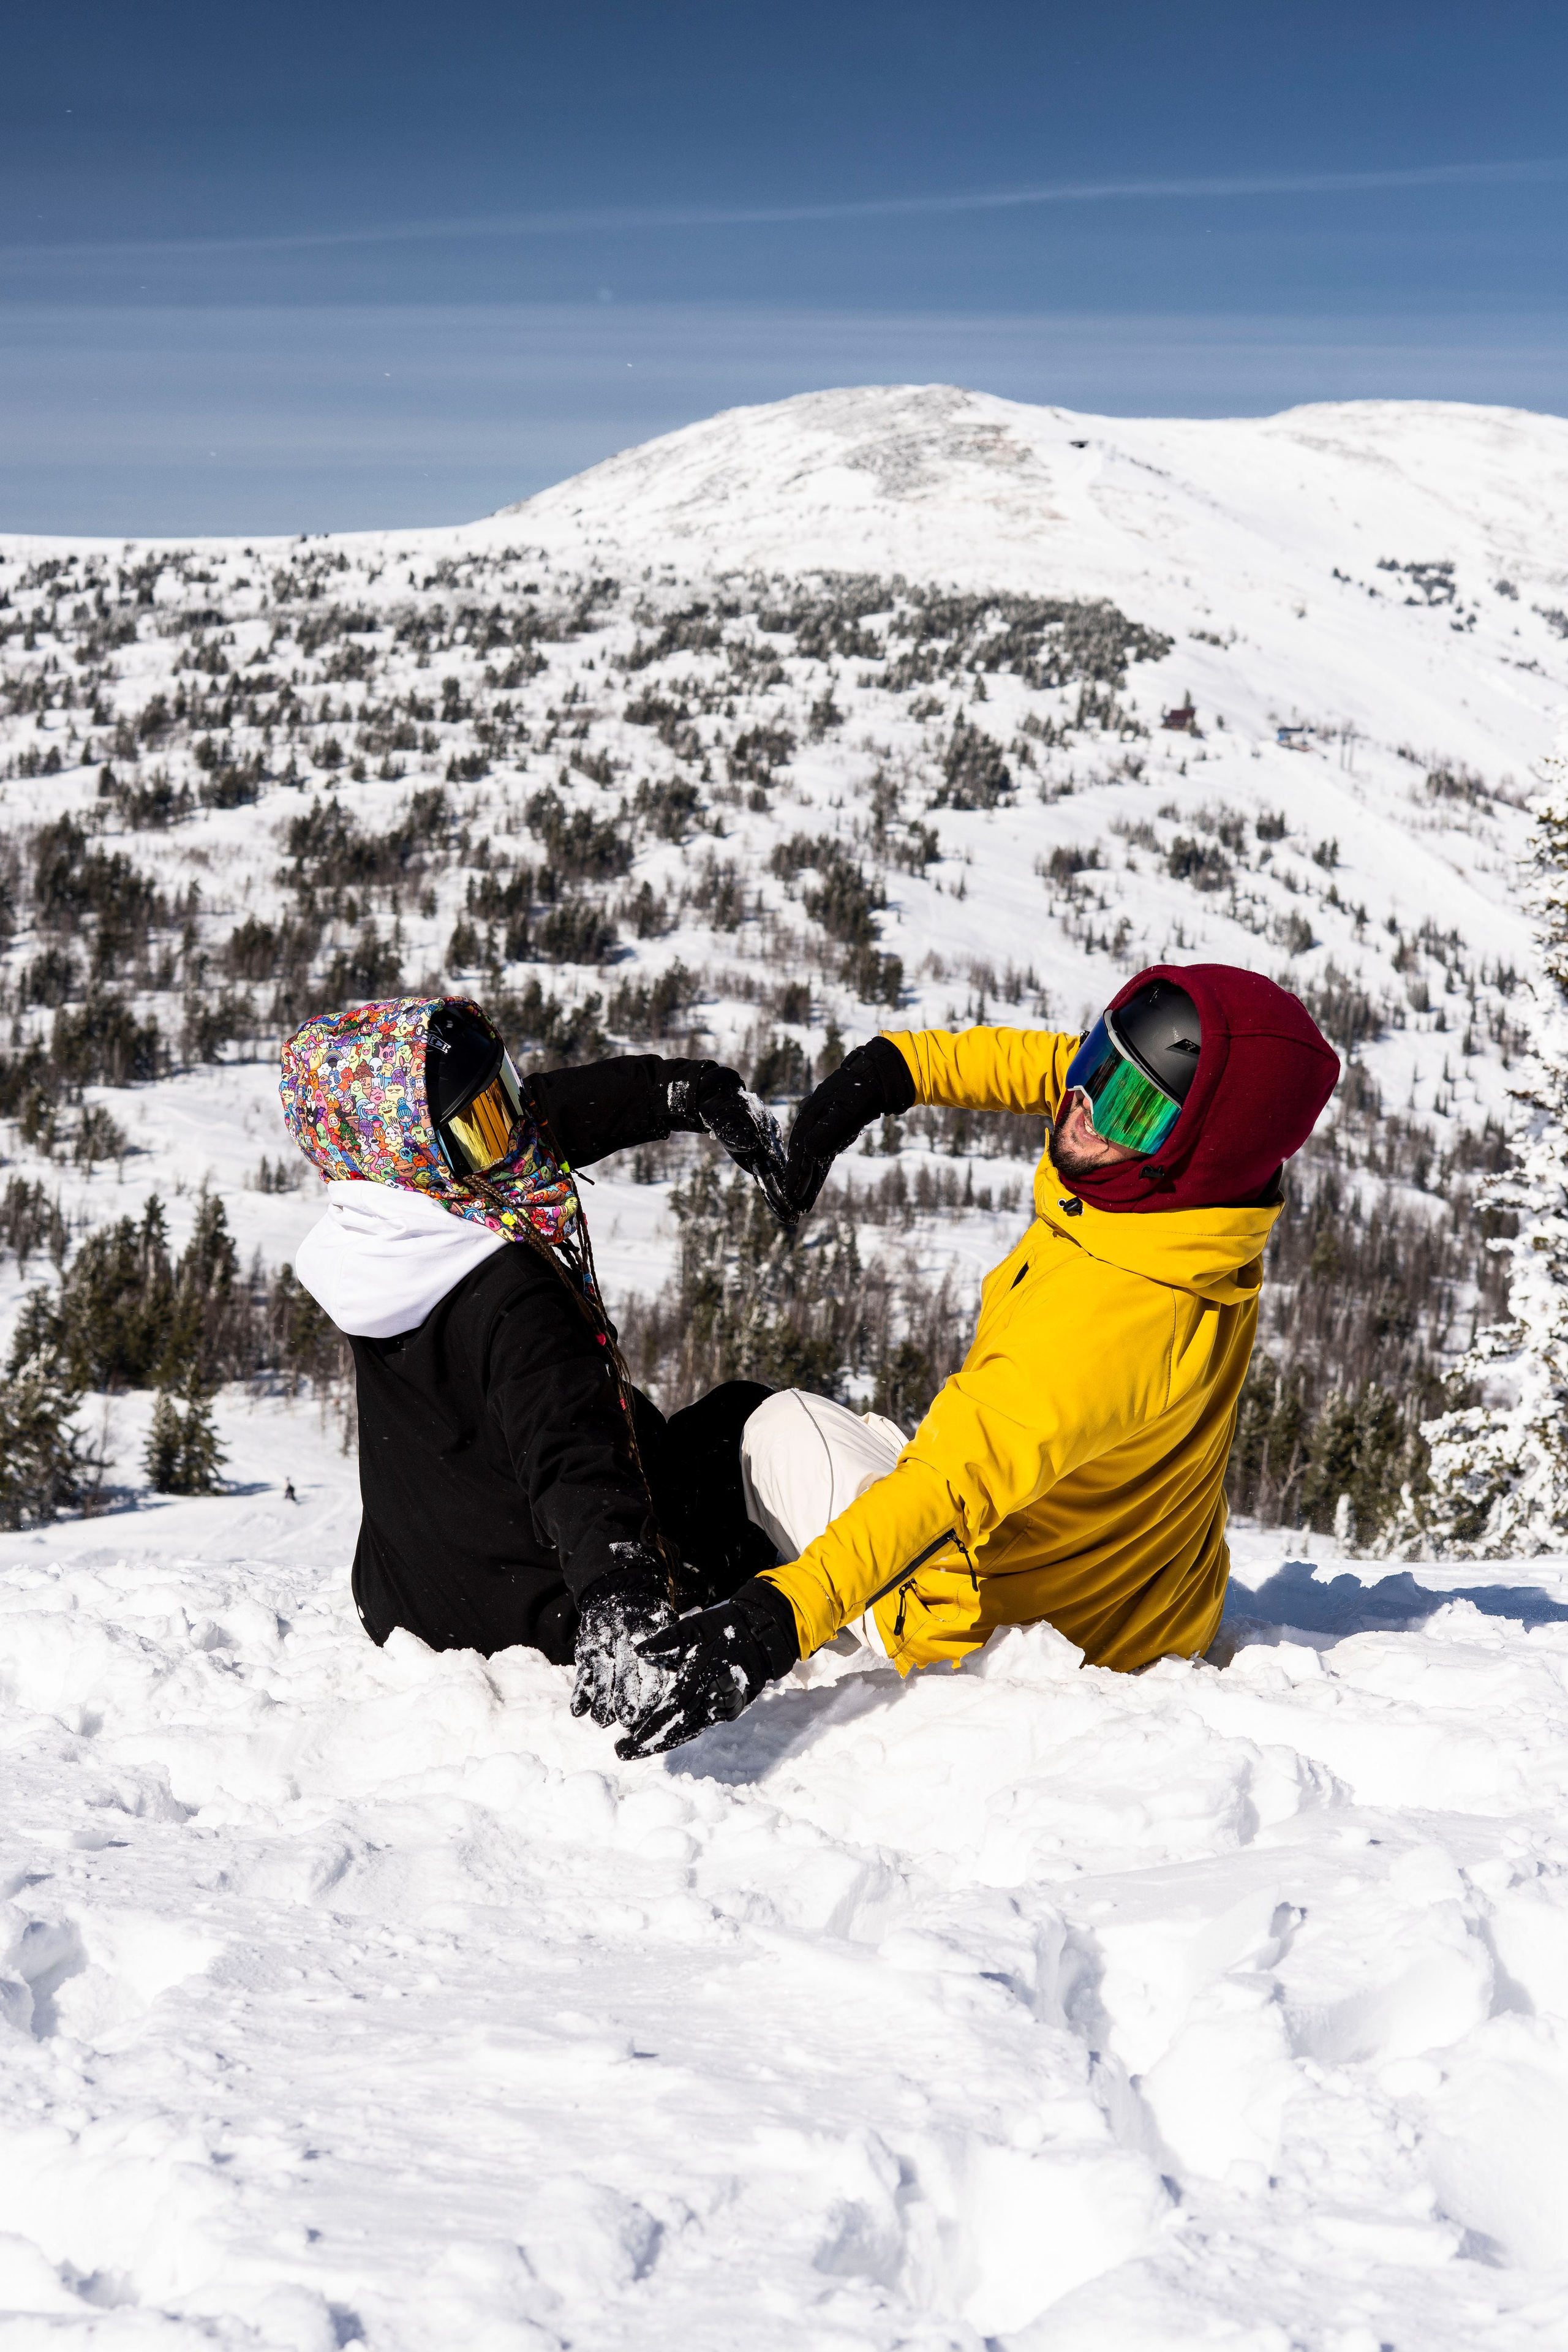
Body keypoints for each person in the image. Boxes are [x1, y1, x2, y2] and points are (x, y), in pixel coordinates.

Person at [614, 963, 1340, 1758]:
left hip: (1002, 1626)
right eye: (1100, 1059)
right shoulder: (1199, 1214)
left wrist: (775, 1620)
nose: (1082, 1104)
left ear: (1195, 1152)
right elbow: (1050, 1069)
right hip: (1141, 1598)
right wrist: (892, 1072)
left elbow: (943, 1489)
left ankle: (661, 1590)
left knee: (752, 1424)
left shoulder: (1107, 1319)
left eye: (1126, 1104)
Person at [278, 994, 788, 1724]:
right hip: (538, 1612)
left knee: (657, 1424)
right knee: (746, 1420)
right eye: (483, 1123)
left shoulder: (377, 1232)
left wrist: (678, 1093)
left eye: (502, 1095)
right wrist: (622, 1595)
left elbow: (524, 1118)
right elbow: (571, 1452)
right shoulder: (511, 1286)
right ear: (422, 1149)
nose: (512, 1133)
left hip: (408, 1596)